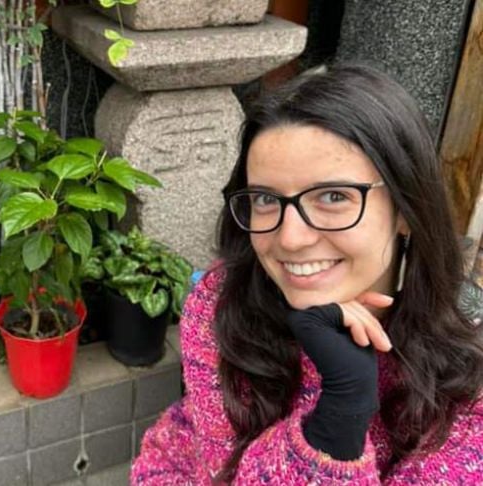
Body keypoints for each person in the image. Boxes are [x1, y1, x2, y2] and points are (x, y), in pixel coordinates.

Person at [131, 65, 483, 485]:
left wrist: (344, 410)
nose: (291, 238)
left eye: (333, 196)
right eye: (264, 198)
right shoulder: (224, 301)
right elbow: (219, 467)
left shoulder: (467, 387)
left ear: (406, 210)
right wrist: (333, 409)